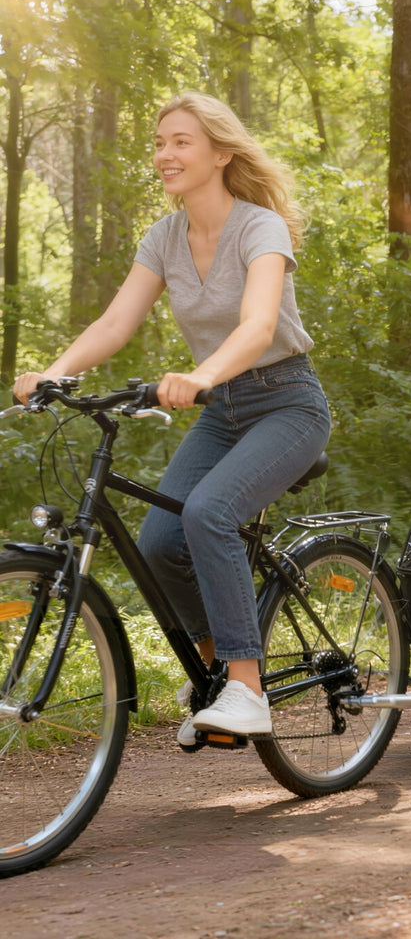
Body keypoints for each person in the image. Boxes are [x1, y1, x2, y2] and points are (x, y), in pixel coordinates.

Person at [13, 91, 332, 748]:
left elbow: (259, 324)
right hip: (222, 411)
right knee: (160, 540)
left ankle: (248, 687)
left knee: (208, 512)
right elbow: (115, 322)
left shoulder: (258, 227)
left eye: (181, 141)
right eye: (160, 143)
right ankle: (217, 671)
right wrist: (54, 371)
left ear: (220, 153)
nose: (165, 154)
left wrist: (202, 375)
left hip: (286, 401)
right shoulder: (163, 237)